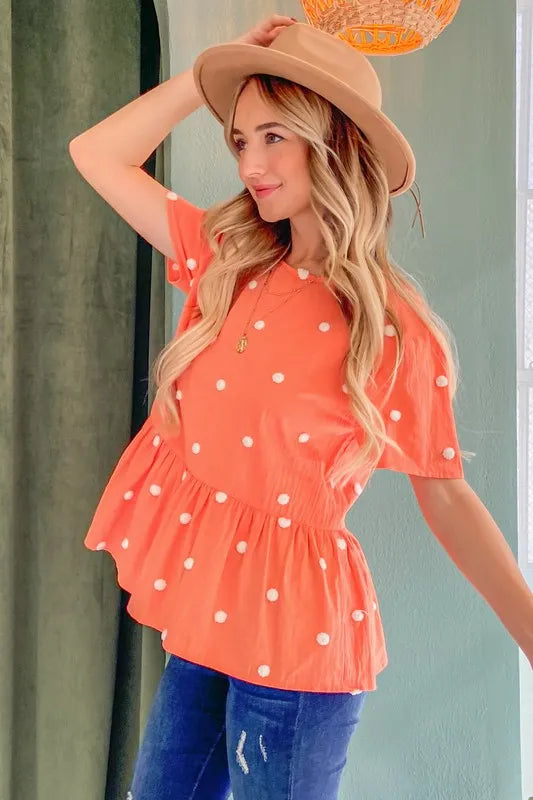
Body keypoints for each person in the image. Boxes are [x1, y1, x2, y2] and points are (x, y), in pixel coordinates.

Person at [69, 15, 467, 800]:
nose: (249, 163)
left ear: (336, 141)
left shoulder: (390, 324)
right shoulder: (226, 261)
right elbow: (95, 153)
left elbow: (446, 495)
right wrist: (205, 76)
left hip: (298, 641)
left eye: (274, 136)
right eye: (239, 139)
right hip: (211, 616)